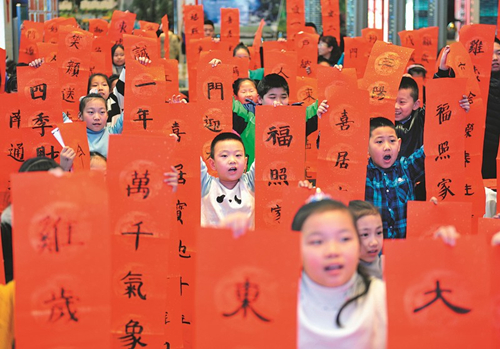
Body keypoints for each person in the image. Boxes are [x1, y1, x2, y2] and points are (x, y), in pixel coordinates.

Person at [291, 195, 386, 349]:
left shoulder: (381, 297)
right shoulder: (280, 302)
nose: (333, 251)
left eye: (344, 239)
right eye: (317, 241)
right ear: (296, 247)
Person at [231, 73, 327, 170]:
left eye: (283, 97)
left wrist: (336, 78)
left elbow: (325, 101)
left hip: (290, 181)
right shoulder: (248, 117)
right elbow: (225, 103)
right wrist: (216, 70)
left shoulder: (297, 119)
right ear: (260, 99)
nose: (278, 102)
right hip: (254, 182)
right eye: (272, 97)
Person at [365, 117, 425, 239]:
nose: (387, 147)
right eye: (379, 142)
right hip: (374, 251)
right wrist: (324, 118)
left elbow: (433, 146)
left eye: (392, 141)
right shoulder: (363, 175)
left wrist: (456, 112)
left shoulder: (406, 168)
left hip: (405, 251)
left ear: (399, 145)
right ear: (366, 146)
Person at [201, 132, 255, 228]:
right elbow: (189, 156)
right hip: (213, 242)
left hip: (246, 242)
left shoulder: (250, 183)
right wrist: (172, 143)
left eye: (238, 155)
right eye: (224, 156)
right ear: (213, 164)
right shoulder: (206, 185)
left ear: (245, 161)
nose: (232, 160)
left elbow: (269, 152)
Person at [349, 200, 384, 280]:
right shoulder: (346, 276)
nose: (374, 242)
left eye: (379, 232)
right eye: (365, 234)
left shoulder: (387, 265)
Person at [482, 37, 500, 179]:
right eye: (490, 54)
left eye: (499, 53)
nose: (495, 58)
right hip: (484, 155)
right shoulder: (474, 85)